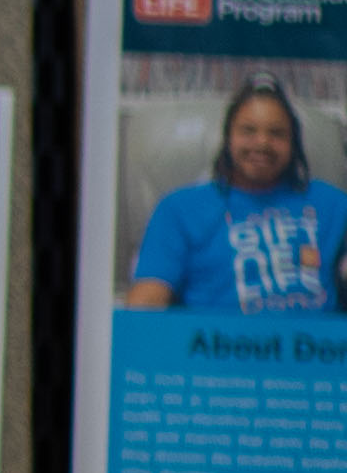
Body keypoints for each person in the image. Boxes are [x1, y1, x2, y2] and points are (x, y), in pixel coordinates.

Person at [122, 85, 344, 312]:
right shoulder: (178, 209)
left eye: (277, 133)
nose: (262, 143)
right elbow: (146, 304)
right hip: (212, 334)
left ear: (293, 143)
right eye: (248, 131)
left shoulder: (334, 205)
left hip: (314, 335)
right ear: (228, 138)